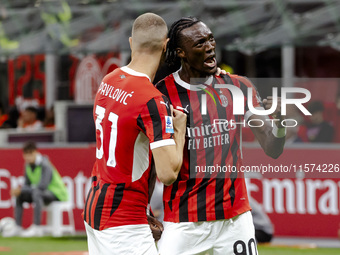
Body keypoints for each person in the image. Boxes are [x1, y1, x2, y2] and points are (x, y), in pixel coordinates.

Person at [155, 17, 285, 255]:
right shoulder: (161, 95)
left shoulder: (239, 87)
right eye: (200, 43)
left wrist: (281, 124)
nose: (210, 47)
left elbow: (272, 148)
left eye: (211, 39)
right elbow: (148, 159)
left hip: (235, 221)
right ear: (181, 52)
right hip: (184, 221)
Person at [83, 13, 186, 255]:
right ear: (165, 45)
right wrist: (179, 130)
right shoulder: (152, 99)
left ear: (131, 42)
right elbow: (168, 173)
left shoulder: (108, 81)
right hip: (123, 220)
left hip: (96, 209)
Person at [5, 141, 69, 237]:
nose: (28, 157)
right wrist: (20, 190)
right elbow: (27, 184)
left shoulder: (45, 164)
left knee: (36, 193)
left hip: (57, 194)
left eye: (30, 154)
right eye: (26, 154)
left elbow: (42, 186)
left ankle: (37, 227)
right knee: (20, 195)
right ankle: (17, 227)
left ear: (35, 152)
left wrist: (22, 189)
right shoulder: (27, 165)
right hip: (42, 194)